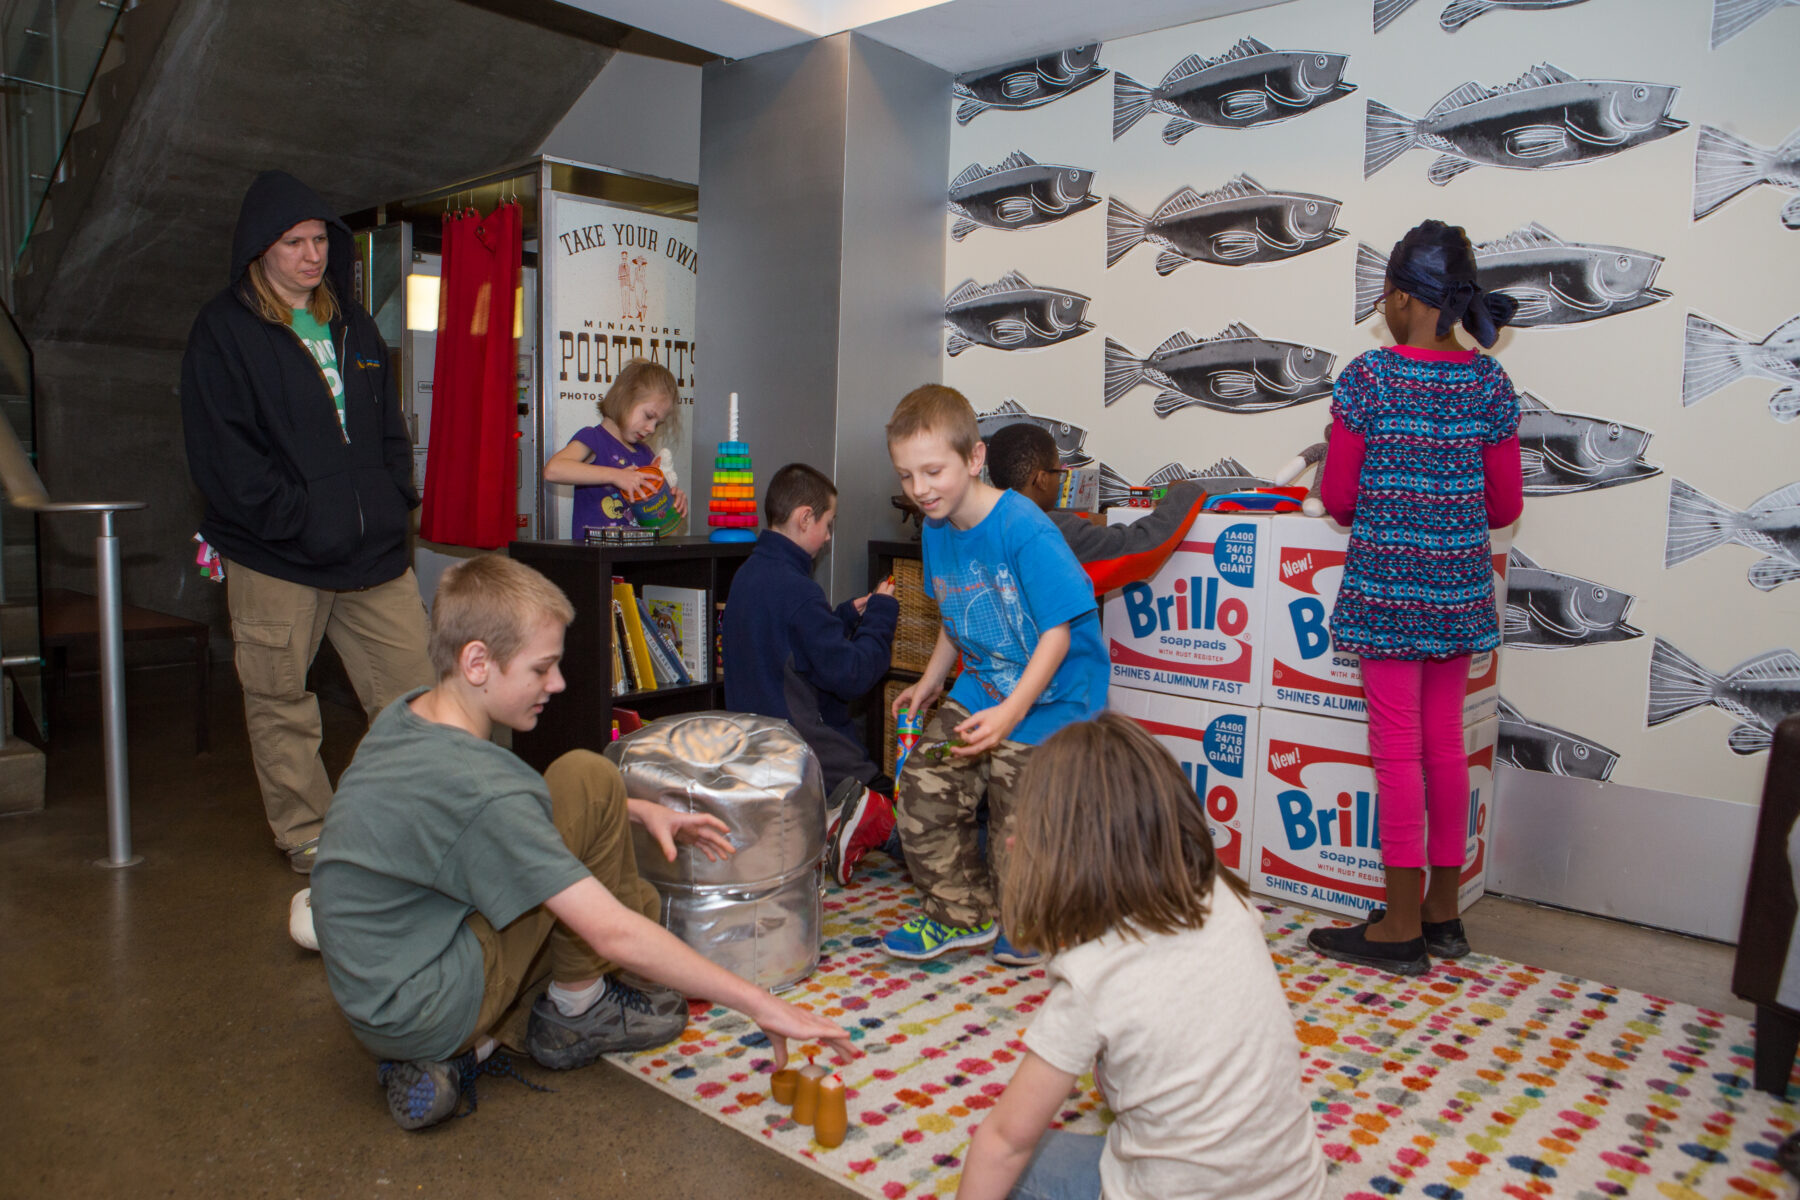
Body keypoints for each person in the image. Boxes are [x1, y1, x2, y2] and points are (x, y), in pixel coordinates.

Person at [310, 554, 856, 1131]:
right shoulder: (484, 789)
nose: (558, 684)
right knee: (629, 910)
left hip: (376, 989)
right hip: (423, 1003)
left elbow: (508, 816)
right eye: (542, 668)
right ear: (477, 663)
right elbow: (610, 930)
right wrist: (761, 1004)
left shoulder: (408, 714)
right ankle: (556, 1017)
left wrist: (642, 810)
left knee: (591, 791)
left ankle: (475, 1043)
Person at [955, 714, 1327, 1200]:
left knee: (1006, 1162)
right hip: (1298, 1189)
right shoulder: (1227, 902)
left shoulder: (1094, 976)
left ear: (1051, 853)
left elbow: (1005, 1141)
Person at [180, 169, 434, 874]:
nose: (310, 255)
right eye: (293, 242)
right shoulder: (223, 332)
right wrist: (301, 519)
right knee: (281, 700)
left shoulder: (352, 323)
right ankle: (309, 833)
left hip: (372, 555)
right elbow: (226, 461)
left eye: (319, 239)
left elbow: (387, 428)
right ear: (260, 249)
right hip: (277, 555)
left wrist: (391, 499)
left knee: (415, 694)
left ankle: (423, 822)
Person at [1307, 219, 1524, 976]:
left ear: (1403, 298)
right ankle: (1441, 914)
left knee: (1395, 747)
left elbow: (1337, 497)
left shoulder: (1370, 378)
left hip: (1391, 591)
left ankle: (1397, 926)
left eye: (1385, 296)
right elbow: (1502, 507)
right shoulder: (1489, 385)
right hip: (1459, 593)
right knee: (1442, 747)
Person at [882, 385, 1108, 967]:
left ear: (974, 459)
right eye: (907, 476)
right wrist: (933, 680)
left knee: (1019, 828)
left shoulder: (1024, 528)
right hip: (985, 686)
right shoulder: (934, 528)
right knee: (921, 794)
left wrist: (1012, 717)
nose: (920, 489)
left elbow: (1058, 634)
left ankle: (1032, 916)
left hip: (1053, 696)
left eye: (933, 471)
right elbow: (954, 614)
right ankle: (962, 915)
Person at [722, 463, 903, 886]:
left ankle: (835, 822)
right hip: (807, 753)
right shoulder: (799, 590)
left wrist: (840, 616)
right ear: (805, 518)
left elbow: (789, 650)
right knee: (914, 824)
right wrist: (881, 614)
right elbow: (854, 675)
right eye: (827, 524)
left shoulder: (749, 574)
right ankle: (849, 817)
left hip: (759, 747)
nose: (826, 537)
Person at [983, 422, 1206, 595]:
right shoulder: (1051, 532)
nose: (1060, 481)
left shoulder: (979, 524)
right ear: (1041, 480)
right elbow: (1146, 546)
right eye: (1058, 473)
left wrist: (1098, 519)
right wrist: (1183, 492)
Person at [542, 359, 689, 538]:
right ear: (623, 397)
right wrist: (617, 475)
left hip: (632, 560)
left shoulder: (645, 454)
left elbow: (660, 528)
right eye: (648, 416)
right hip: (597, 561)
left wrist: (670, 505)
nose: (651, 428)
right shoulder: (594, 439)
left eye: (657, 423)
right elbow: (553, 470)